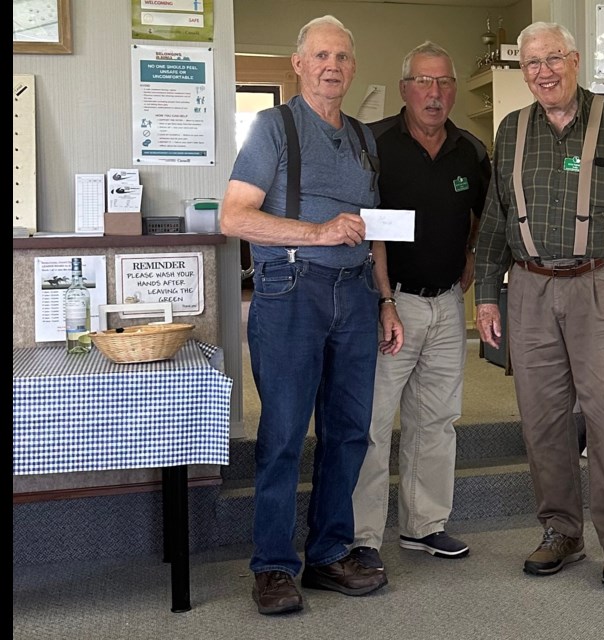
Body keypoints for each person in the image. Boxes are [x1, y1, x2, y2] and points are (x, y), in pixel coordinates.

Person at [472, 21, 604, 588]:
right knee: (541, 421)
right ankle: (561, 531)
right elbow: (493, 224)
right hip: (528, 290)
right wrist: (487, 295)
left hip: (602, 285)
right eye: (531, 63)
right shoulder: (511, 130)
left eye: (553, 58)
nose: (543, 71)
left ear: (575, 60)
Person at [220, 15, 392, 615]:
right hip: (289, 289)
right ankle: (271, 565)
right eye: (320, 55)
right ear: (298, 64)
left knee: (349, 431)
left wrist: (387, 299)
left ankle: (327, 554)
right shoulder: (271, 127)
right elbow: (235, 217)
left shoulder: (366, 139)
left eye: (342, 57)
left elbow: (377, 234)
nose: (332, 67)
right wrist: (317, 232)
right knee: (285, 433)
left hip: (357, 296)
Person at [349, 41, 491, 576]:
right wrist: (384, 299)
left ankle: (424, 525)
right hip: (391, 302)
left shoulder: (470, 150)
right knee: (373, 422)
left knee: (438, 420)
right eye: (424, 82)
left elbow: (485, 212)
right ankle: (363, 536)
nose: (435, 94)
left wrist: (473, 251)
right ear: (405, 87)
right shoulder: (375, 144)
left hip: (448, 305)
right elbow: (364, 227)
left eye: (444, 83)